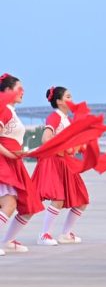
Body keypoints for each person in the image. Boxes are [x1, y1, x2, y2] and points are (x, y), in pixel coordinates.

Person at [34, 86, 90, 246]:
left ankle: (65, 234)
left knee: (82, 200)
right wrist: (64, 147)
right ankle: (44, 234)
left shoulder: (67, 120)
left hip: (66, 162)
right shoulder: (55, 117)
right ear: (59, 101)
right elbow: (46, 139)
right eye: (68, 97)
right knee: (58, 198)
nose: (72, 100)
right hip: (54, 162)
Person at [0, 74, 44, 254]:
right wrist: (10, 154)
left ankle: (8, 241)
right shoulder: (4, 109)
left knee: (29, 205)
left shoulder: (11, 110)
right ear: (7, 90)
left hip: (14, 162)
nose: (23, 92)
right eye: (19, 88)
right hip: (4, 161)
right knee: (9, 204)